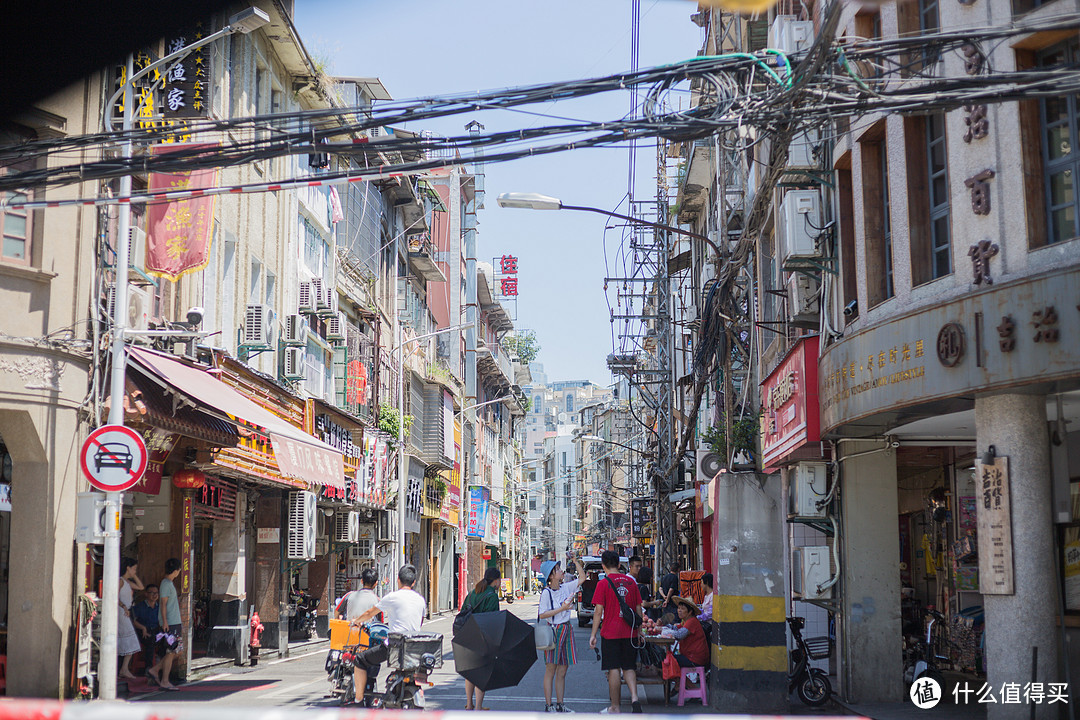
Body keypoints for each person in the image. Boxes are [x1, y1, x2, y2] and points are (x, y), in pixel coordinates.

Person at [350, 564, 427, 704]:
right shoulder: (420, 600)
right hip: (414, 647)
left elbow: (370, 613)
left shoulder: (393, 597)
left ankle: (358, 699)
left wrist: (357, 620)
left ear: (398, 580)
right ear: (414, 582)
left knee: (360, 660)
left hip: (394, 645)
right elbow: (419, 623)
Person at [589, 549, 644, 714]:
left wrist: (593, 635)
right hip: (630, 633)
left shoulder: (603, 584)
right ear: (619, 564)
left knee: (613, 669)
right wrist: (639, 630)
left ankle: (615, 707)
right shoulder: (631, 582)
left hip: (610, 633)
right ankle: (635, 697)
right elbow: (638, 609)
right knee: (629, 667)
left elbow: (598, 612)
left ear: (603, 566)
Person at [538, 555, 585, 713]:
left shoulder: (566, 587)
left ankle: (560, 704)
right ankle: (548, 705)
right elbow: (542, 615)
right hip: (554, 630)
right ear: (551, 575)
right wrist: (562, 609)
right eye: (558, 569)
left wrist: (576, 561)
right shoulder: (546, 593)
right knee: (550, 669)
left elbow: (583, 578)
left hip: (566, 629)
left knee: (563, 670)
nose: (561, 571)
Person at [462, 567, 502, 711]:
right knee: (481, 673)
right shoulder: (492, 596)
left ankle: (469, 704)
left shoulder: (473, 593)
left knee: (470, 671)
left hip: (467, 636)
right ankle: (478, 706)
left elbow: (462, 612)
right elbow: (493, 620)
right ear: (496, 581)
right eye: (500, 580)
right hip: (483, 638)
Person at [148, 558, 182, 690]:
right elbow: (163, 603)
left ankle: (155, 670)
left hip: (174, 621)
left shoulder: (169, 583)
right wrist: (165, 621)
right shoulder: (166, 584)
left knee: (176, 651)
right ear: (175, 570)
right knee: (171, 651)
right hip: (170, 622)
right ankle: (164, 680)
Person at [117, 557, 144, 680]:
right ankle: (124, 669)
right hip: (122, 611)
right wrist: (123, 606)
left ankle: (124, 669)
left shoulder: (126, 581)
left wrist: (133, 575)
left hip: (126, 611)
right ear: (128, 568)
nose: (135, 571)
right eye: (134, 568)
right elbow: (114, 596)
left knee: (129, 641)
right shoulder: (120, 581)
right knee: (130, 639)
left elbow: (141, 587)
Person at [667, 597, 709, 669]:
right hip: (690, 656)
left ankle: (684, 680)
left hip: (695, 659)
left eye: (682, 609)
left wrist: (668, 633)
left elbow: (679, 635)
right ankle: (682, 680)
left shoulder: (692, 621)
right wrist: (663, 626)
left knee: (666, 661)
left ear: (690, 612)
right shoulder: (685, 621)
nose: (679, 611)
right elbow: (676, 628)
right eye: (679, 608)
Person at [131, 584, 161, 674]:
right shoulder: (140, 606)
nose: (154, 595)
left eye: (156, 593)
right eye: (151, 593)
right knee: (150, 642)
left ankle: (162, 669)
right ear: (146, 594)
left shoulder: (159, 607)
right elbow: (133, 621)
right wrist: (143, 628)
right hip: (142, 631)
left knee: (168, 642)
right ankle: (149, 669)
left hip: (155, 630)